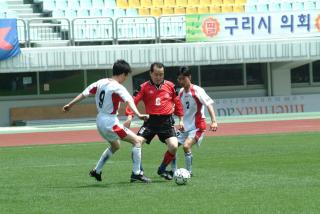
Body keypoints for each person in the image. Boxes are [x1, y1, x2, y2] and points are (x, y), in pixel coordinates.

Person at [62, 60, 151, 183]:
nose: (125, 79)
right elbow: (130, 101)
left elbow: (84, 93)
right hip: (110, 123)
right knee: (137, 141)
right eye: (126, 76)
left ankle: (96, 171)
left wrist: (70, 105)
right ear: (123, 74)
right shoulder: (118, 87)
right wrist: (139, 115)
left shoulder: (100, 82)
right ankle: (137, 174)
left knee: (116, 145)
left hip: (100, 121)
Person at [124, 62, 184, 180]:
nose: (158, 77)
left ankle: (162, 169)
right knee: (136, 142)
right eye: (156, 74)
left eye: (161, 74)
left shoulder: (170, 86)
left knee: (174, 146)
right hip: (150, 121)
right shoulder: (143, 87)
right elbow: (133, 101)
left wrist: (181, 119)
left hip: (166, 122)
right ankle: (138, 172)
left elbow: (177, 103)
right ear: (151, 73)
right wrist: (129, 117)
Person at [173, 66, 218, 176]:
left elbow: (209, 104)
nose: (181, 81)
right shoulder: (181, 92)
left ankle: (188, 172)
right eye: (179, 79)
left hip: (197, 126)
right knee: (172, 146)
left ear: (189, 77)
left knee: (186, 146)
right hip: (185, 127)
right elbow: (179, 108)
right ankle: (173, 171)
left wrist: (214, 121)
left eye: (183, 78)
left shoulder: (198, 90)